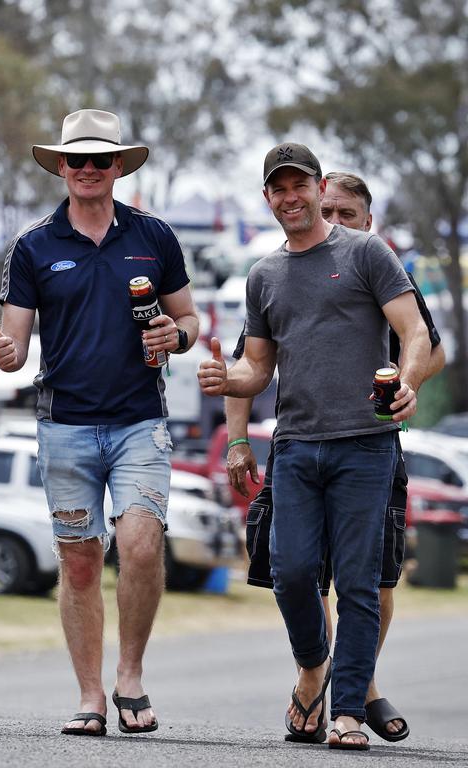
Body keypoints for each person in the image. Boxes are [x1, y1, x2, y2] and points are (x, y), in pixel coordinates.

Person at [198, 144, 431, 751]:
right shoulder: (263, 275)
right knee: (291, 573)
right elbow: (257, 370)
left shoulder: (366, 253)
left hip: (365, 444)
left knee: (357, 583)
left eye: (299, 184)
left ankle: (348, 712)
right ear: (267, 198)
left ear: (317, 186)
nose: (290, 197)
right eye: (278, 189)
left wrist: (404, 382)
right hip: (296, 446)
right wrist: (230, 384)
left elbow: (414, 332)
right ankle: (313, 667)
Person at [0, 108, 199, 737]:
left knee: (140, 544)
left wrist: (176, 335)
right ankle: (89, 695)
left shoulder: (154, 236)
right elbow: (17, 346)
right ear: (59, 165)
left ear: (117, 168)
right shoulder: (34, 245)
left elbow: (189, 322)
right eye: (75, 159)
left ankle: (128, 675)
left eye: (98, 160)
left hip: (139, 420)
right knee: (80, 560)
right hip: (66, 425)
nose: (86, 169)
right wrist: (6, 353)